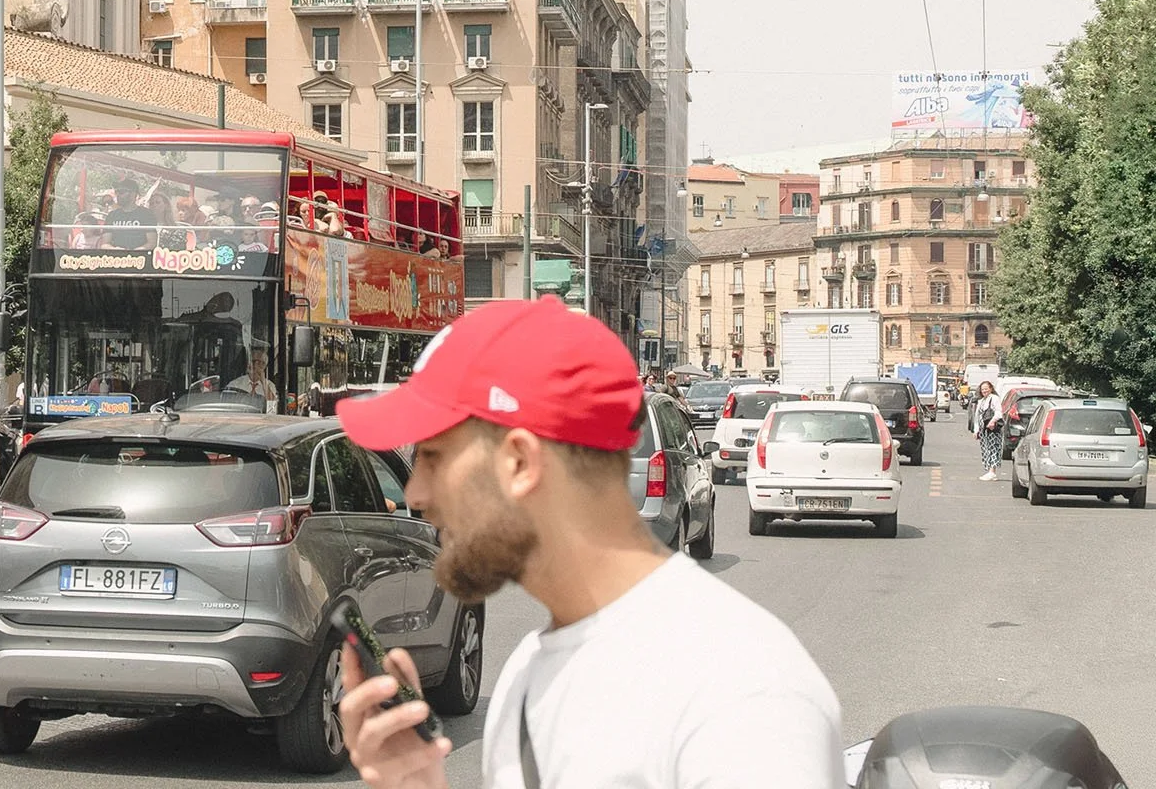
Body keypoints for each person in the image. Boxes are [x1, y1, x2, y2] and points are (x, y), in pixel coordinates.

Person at [336, 301, 843, 789]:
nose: (414, 493)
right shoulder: (529, 672)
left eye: (434, 456)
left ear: (518, 463)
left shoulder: (740, 691)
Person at [975, 379, 1005, 480]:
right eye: (982, 389)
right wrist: (976, 430)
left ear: (991, 389)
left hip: (992, 429)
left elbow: (999, 412)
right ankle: (990, 471)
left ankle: (992, 471)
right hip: (984, 430)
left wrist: (992, 421)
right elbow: (977, 417)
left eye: (986, 389)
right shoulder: (981, 401)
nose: (984, 391)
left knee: (993, 448)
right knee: (986, 449)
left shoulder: (994, 398)